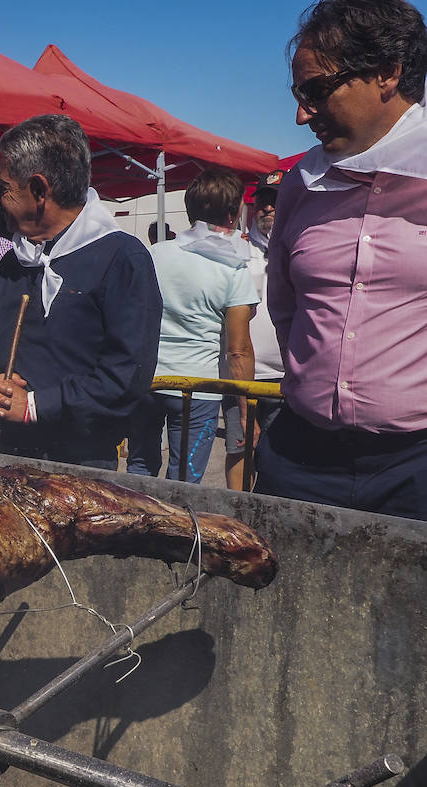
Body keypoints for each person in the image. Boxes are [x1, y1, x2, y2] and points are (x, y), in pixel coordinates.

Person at [256, 0, 427, 520]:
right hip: (301, 456)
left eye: (315, 90)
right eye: (297, 94)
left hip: (416, 465)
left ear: (386, 74)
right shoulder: (300, 186)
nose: (301, 114)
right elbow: (285, 305)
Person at [0, 114, 162, 470]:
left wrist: (34, 406)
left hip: (78, 471)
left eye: (3, 188)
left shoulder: (121, 258)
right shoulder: (13, 260)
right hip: (0, 461)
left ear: (39, 190)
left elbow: (126, 377)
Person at [126, 167, 258, 484]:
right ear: (233, 212)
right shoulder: (233, 267)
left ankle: (134, 532)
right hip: (197, 388)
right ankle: (176, 535)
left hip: (148, 379)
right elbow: (237, 352)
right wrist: (245, 412)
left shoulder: (154, 253)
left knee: (140, 469)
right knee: (185, 481)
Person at [225, 168, 287, 489]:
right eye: (262, 201)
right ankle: (237, 522)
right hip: (242, 378)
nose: (267, 208)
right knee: (239, 451)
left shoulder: (300, 249)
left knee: (280, 460)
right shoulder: (236, 250)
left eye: (274, 201)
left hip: (285, 379)